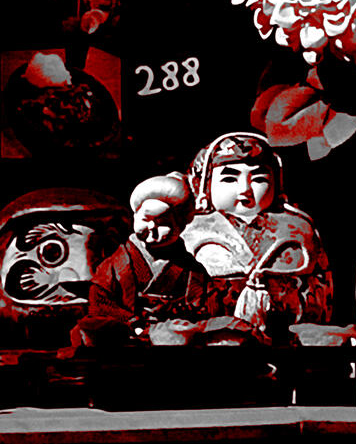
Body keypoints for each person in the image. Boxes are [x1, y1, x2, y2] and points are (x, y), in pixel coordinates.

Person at [182, 131, 333, 344]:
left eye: (259, 179)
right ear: (205, 184)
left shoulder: (300, 228)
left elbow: (320, 289)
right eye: (229, 178)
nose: (245, 190)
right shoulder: (189, 230)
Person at [75, 173, 210, 346]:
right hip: (125, 333)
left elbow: (203, 305)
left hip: (173, 336)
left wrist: (177, 317)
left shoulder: (191, 269)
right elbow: (100, 300)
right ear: (135, 217)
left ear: (180, 226)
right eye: (146, 219)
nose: (152, 227)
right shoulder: (117, 263)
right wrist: (131, 321)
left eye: (163, 223)